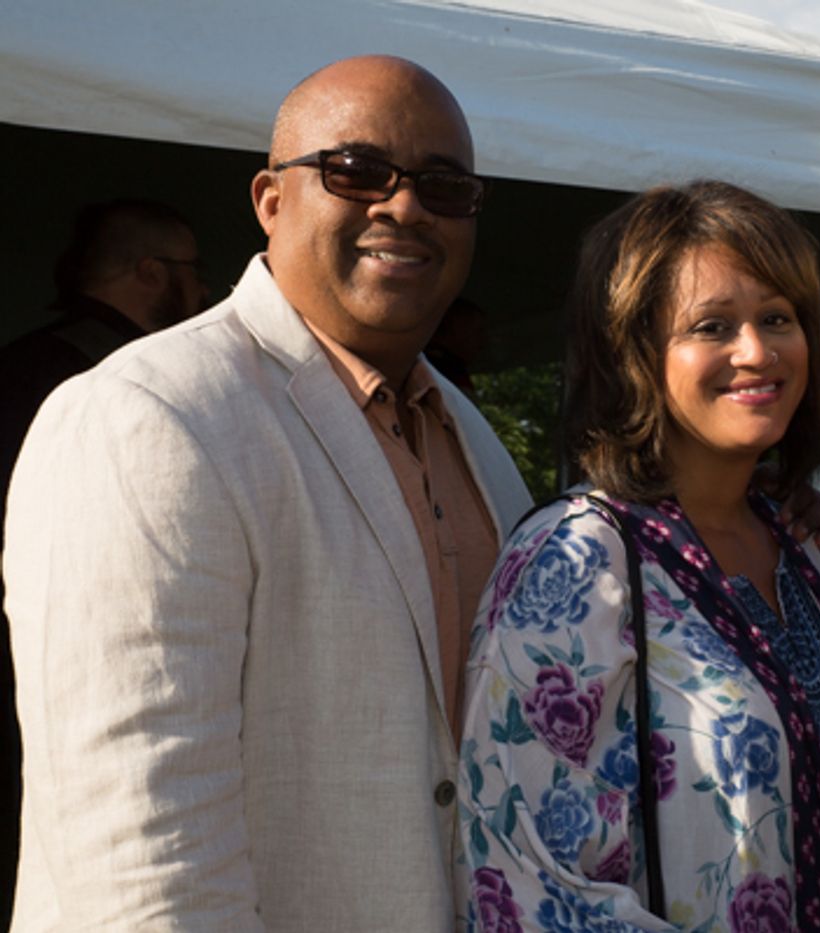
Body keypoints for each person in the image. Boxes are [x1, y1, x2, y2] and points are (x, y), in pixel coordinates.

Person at [4, 56, 535, 929]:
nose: (403, 205)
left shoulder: (475, 444)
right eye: (356, 171)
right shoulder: (149, 413)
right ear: (271, 200)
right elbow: (137, 847)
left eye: (443, 186)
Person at [457, 181, 820, 931]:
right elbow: (525, 878)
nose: (756, 351)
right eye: (712, 325)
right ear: (632, 355)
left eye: (777, 318)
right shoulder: (579, 558)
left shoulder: (796, 550)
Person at [0, 197, 206, 925]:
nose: (204, 290)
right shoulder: (129, 383)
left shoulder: (20, 363)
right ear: (151, 272)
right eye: (191, 270)